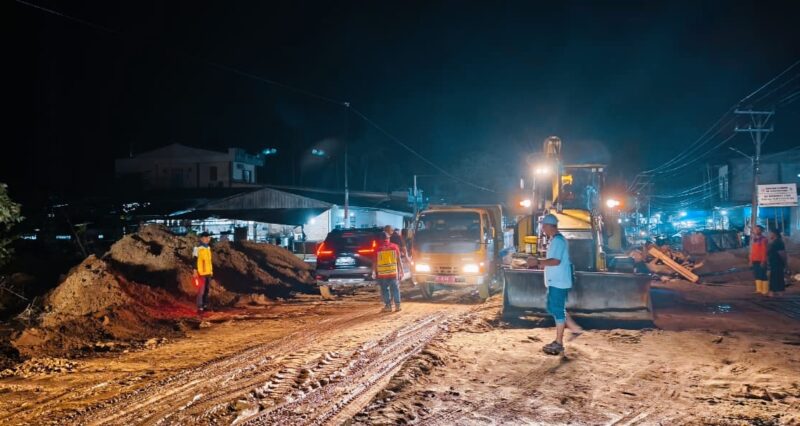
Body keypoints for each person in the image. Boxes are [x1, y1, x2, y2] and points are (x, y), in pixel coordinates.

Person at [527, 214, 583, 355]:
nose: (543, 229)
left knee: (556, 309)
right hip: (557, 281)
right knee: (555, 307)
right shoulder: (556, 240)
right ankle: (574, 329)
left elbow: (555, 261)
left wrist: (538, 262)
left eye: (543, 226)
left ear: (548, 226)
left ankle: (559, 342)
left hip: (558, 281)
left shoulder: (558, 241)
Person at [374, 232, 402, 312]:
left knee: (384, 290)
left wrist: (374, 272)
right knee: (395, 289)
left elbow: (375, 262)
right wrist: (401, 271)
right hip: (393, 272)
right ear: (388, 238)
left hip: (382, 274)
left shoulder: (378, 249)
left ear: (381, 239)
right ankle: (397, 306)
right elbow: (399, 259)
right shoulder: (394, 247)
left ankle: (388, 306)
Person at [193, 232, 214, 316]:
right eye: (206, 238)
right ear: (202, 238)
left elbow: (209, 261)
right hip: (201, 273)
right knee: (201, 291)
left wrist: (211, 271)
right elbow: (194, 260)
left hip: (208, 272)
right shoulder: (197, 248)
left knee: (206, 290)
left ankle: (204, 305)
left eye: (209, 238)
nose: (208, 239)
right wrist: (195, 271)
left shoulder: (208, 248)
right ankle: (200, 307)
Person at [767, 229, 787, 297]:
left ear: (774, 234)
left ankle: (778, 294)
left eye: (770, 233)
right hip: (774, 264)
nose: (769, 235)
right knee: (774, 278)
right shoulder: (774, 242)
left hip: (777, 264)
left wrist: (785, 263)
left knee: (778, 279)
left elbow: (782, 254)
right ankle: (773, 293)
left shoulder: (778, 242)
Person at [750, 225, 768, 295]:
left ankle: (765, 290)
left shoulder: (764, 239)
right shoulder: (754, 239)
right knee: (757, 274)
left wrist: (763, 261)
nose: (756, 231)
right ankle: (759, 290)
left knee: (763, 274)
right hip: (755, 259)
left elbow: (764, 251)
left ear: (761, 231)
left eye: (758, 229)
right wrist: (751, 260)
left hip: (761, 260)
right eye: (755, 229)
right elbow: (752, 251)